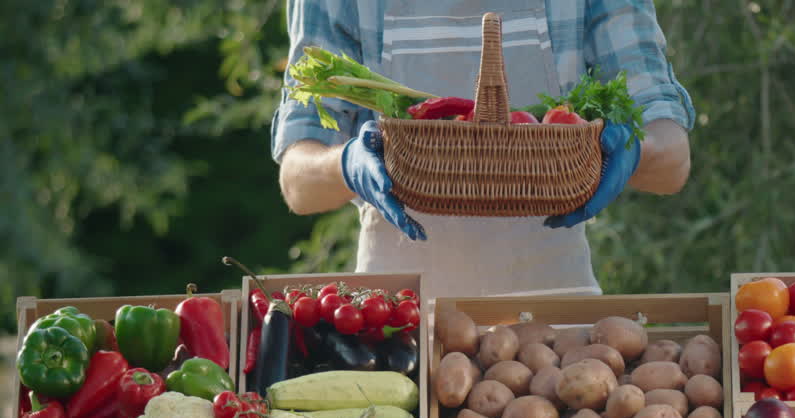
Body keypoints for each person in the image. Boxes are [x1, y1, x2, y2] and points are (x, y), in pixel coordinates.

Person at [271, 0, 694, 298]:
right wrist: (346, 164)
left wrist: (635, 151)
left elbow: (673, 161)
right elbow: (297, 184)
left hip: (554, 315)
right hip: (398, 314)